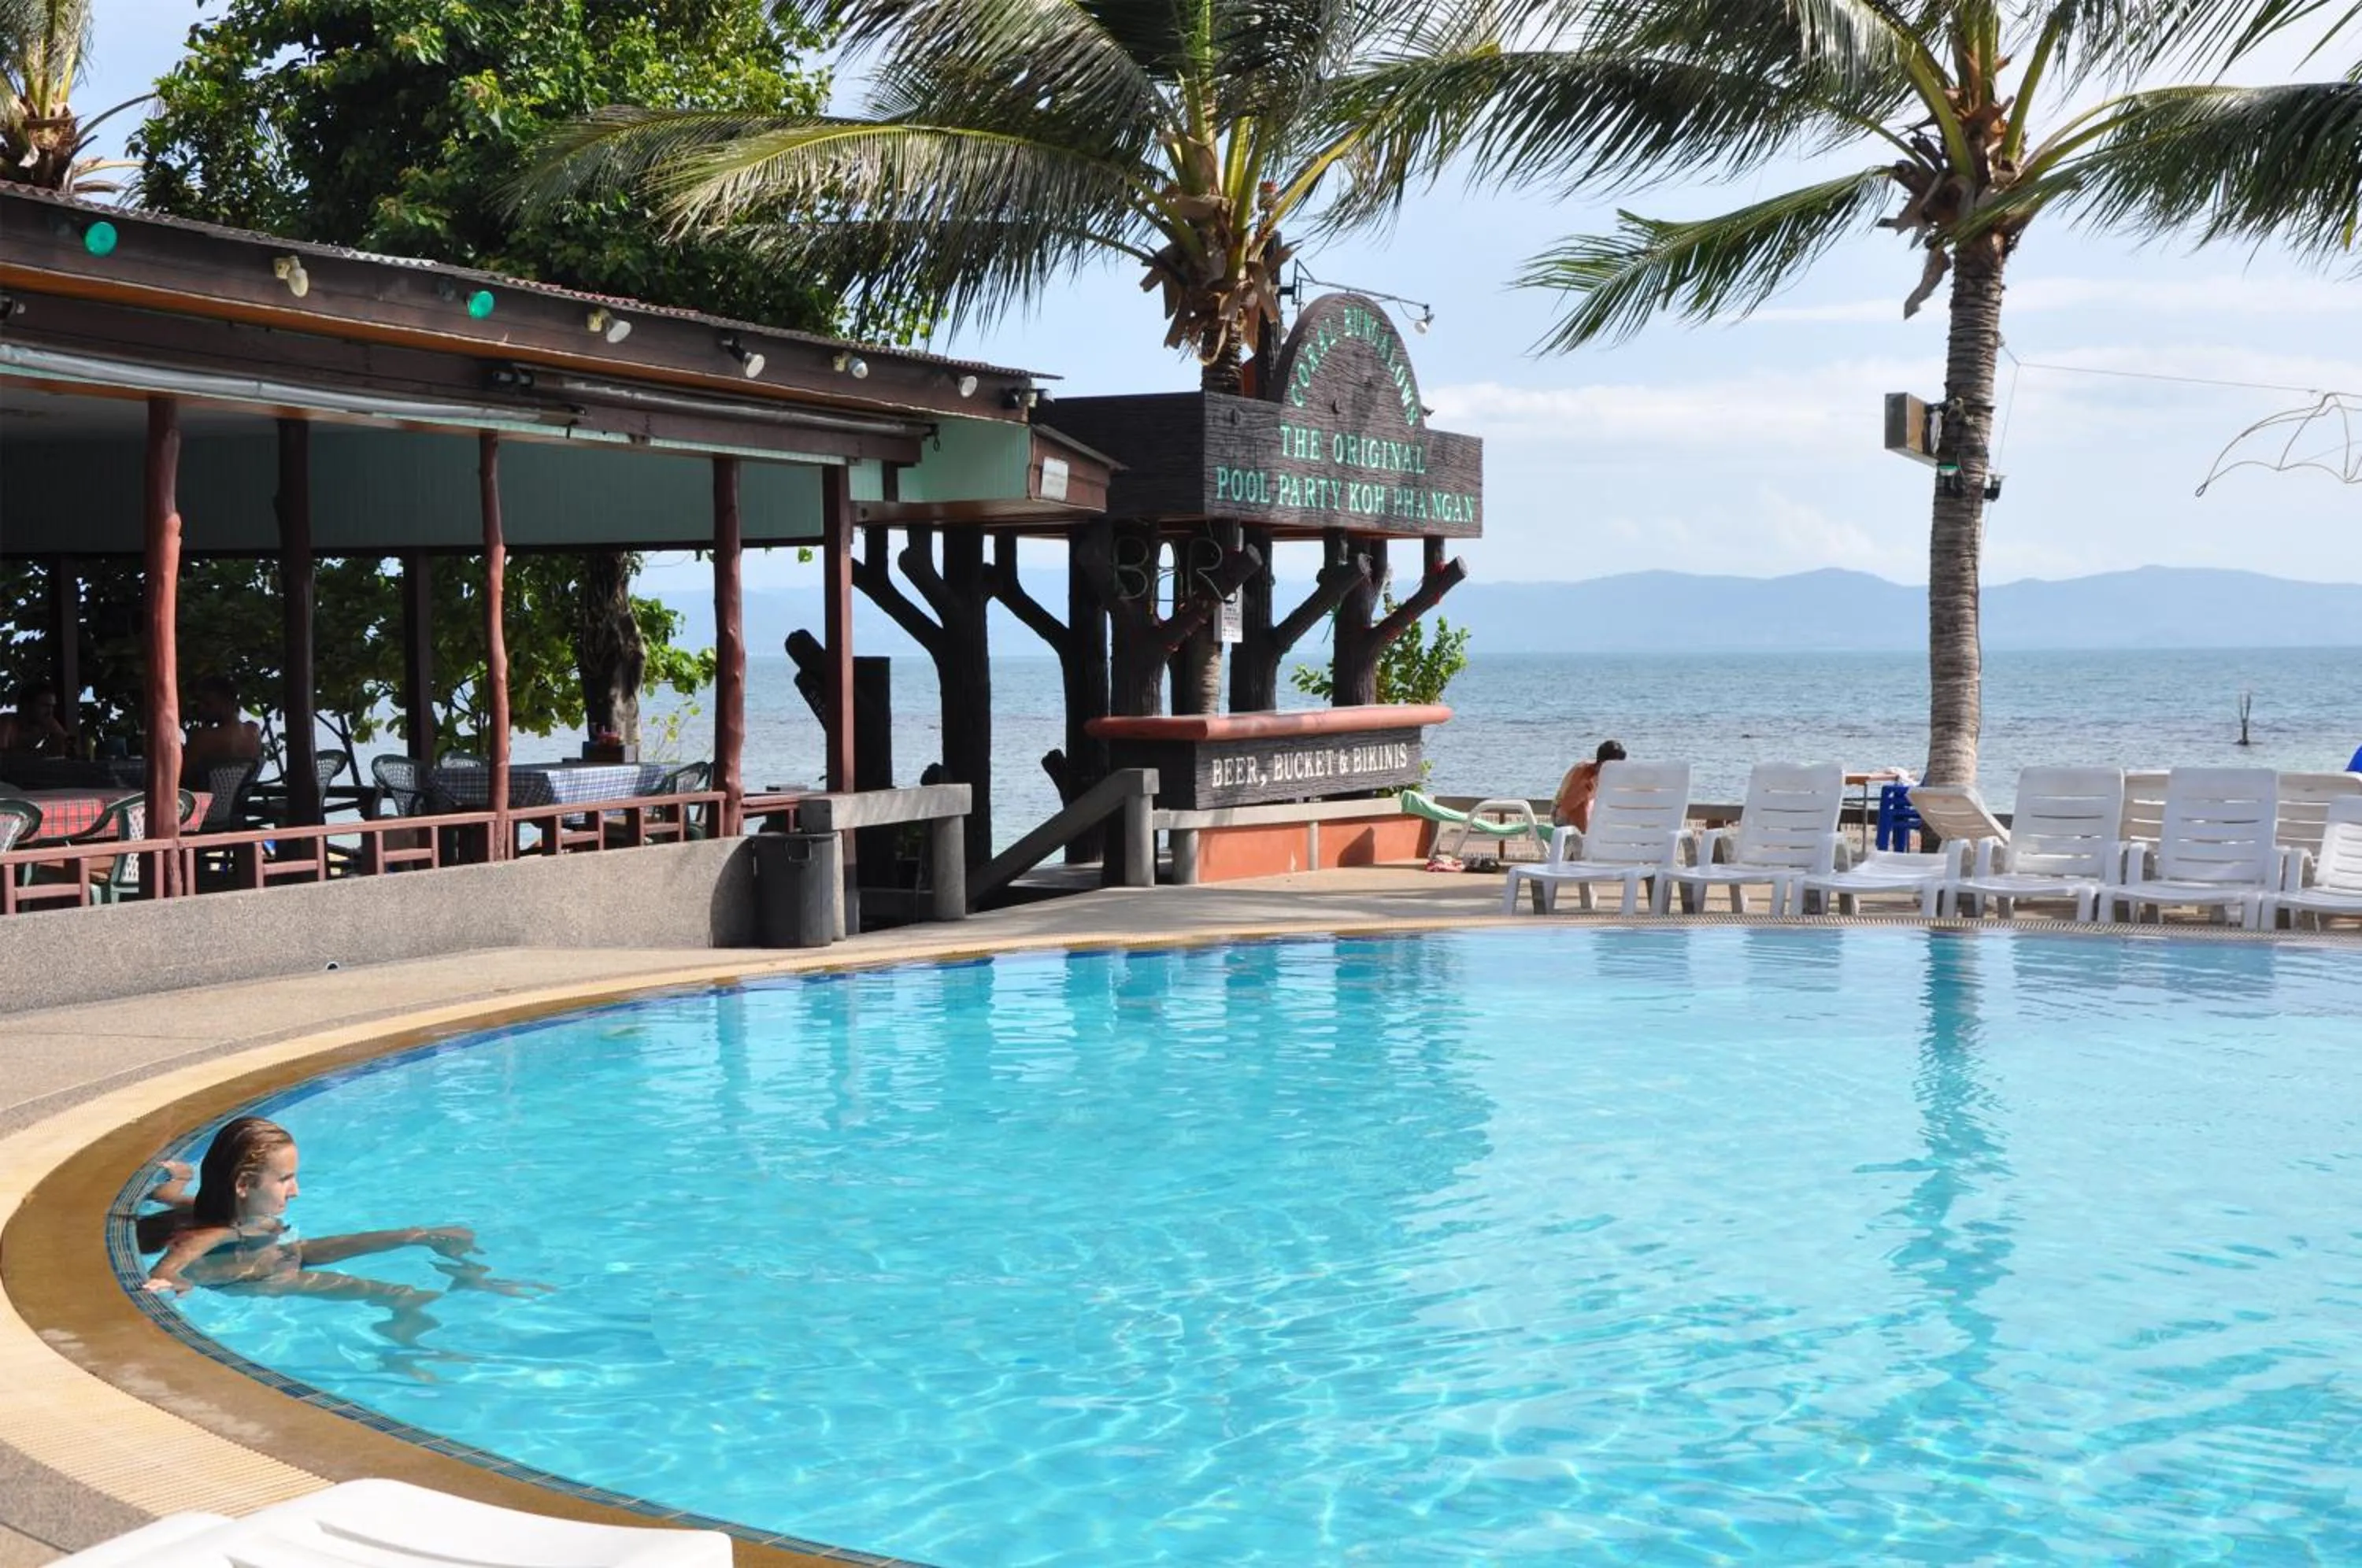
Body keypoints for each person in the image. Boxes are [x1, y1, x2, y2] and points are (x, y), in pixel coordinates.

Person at [139, 1116, 539, 1344]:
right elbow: (188, 1249)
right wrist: (169, 1277)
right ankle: (400, 1339)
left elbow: (169, 1196)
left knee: (416, 1234)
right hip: (266, 1278)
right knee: (401, 1294)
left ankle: (428, 1245)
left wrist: (180, 1177)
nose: (296, 1190)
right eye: (285, 1179)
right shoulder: (222, 1230)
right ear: (243, 1185)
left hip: (282, 1254)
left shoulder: (208, 1207)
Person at [179, 675, 263, 786]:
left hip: (202, 796)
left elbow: (181, 774)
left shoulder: (204, 737)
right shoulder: (253, 730)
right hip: (238, 796)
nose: (201, 708)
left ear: (227, 703)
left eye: (208, 704)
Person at [1552, 739, 1628, 833]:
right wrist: (1588, 788)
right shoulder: (1585, 774)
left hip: (1589, 815)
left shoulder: (1612, 776)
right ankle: (1585, 838)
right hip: (1561, 815)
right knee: (1583, 801)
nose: (1616, 770)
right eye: (1614, 766)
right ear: (1602, 763)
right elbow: (1565, 808)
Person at [0, 682, 73, 756]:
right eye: (45, 706)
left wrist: (60, 741)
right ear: (26, 705)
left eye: (52, 706)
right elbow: (3, 756)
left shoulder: (48, 722)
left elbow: (69, 746)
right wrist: (42, 752)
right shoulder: (6, 722)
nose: (50, 712)